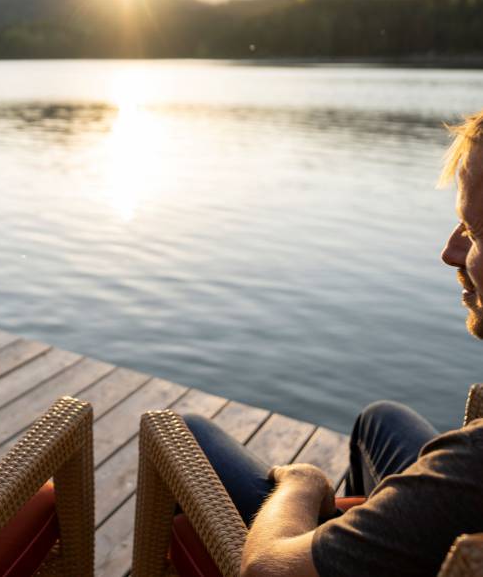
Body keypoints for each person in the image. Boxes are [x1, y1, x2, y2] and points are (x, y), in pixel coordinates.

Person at [181, 107, 483, 577]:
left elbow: (264, 569)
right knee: (379, 421)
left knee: (187, 433)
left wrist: (300, 485)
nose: (450, 253)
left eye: (475, 231)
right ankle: (353, 540)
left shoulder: (472, 470)